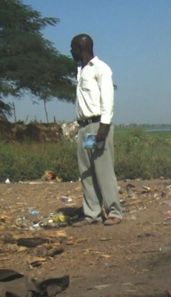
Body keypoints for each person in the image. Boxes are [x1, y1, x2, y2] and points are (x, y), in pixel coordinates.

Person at [70, 34, 122, 226]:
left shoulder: (101, 69)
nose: (71, 52)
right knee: (87, 171)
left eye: (73, 48)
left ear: (81, 48)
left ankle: (114, 211)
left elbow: (107, 98)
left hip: (98, 125)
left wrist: (104, 126)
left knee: (103, 169)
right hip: (84, 127)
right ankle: (92, 213)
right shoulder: (81, 70)